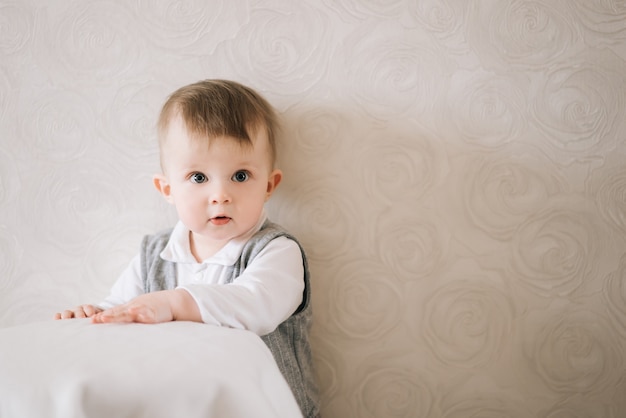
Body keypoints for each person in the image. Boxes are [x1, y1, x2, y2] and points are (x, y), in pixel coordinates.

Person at [54, 79, 319, 417]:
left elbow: (257, 305)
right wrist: (93, 316)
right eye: (198, 177)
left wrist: (175, 302)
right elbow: (123, 306)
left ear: (269, 185)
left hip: (263, 408)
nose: (220, 194)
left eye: (240, 176)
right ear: (167, 189)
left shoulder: (276, 251)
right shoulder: (154, 254)